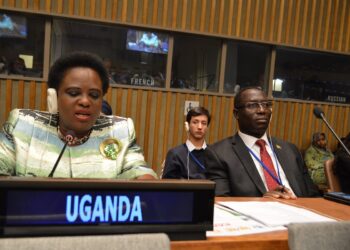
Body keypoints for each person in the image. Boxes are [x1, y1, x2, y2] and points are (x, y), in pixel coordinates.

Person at [0, 51, 157, 180]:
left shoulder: (120, 131)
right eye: (74, 93)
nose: (85, 102)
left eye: (94, 95)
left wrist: (144, 181)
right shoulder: (23, 125)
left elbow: (139, 171)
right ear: (54, 96)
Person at [205, 86, 319, 198]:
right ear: (236, 114)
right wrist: (261, 204)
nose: (262, 110)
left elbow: (313, 195)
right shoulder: (219, 154)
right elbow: (221, 202)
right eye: (253, 105)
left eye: (266, 105)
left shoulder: (290, 150)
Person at [162, 107, 211, 179]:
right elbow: (168, 185)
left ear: (207, 127)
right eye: (195, 122)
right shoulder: (175, 154)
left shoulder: (214, 154)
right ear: (187, 125)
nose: (200, 127)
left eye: (204, 123)